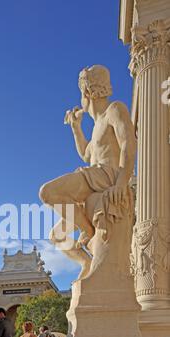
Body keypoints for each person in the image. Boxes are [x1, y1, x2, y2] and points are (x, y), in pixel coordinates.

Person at [39, 65, 137, 280]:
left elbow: (129, 143)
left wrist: (122, 182)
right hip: (93, 176)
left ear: (86, 92)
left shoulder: (115, 109)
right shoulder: (96, 126)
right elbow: (86, 153)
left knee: (48, 192)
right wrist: (76, 128)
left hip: (106, 175)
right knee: (57, 236)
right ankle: (86, 262)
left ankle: (90, 231)